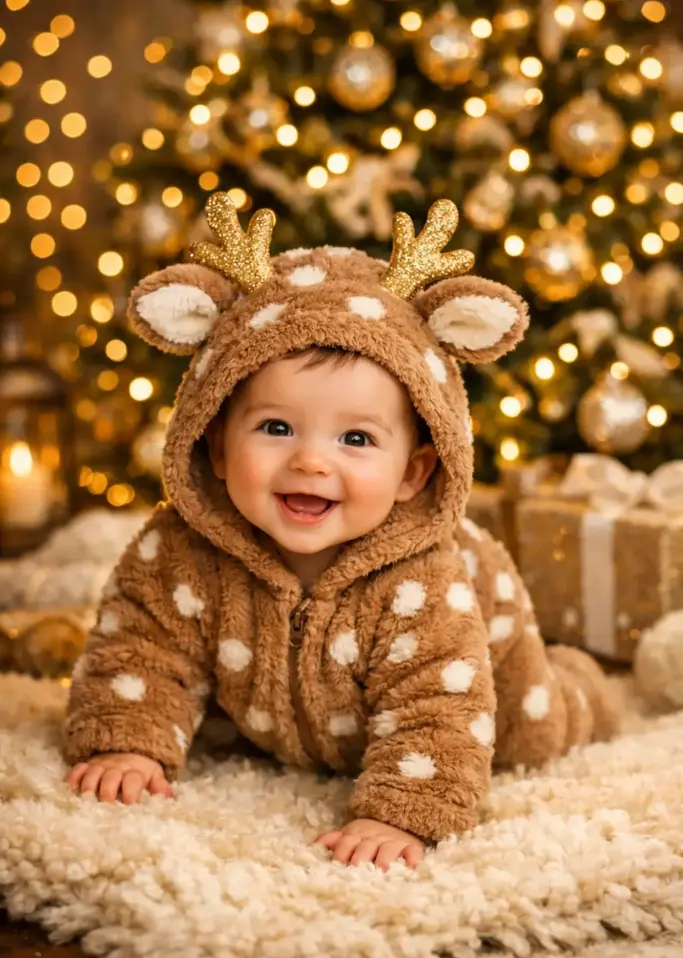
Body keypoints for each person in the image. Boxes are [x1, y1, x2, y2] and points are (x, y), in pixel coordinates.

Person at [64, 195, 621, 871]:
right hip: (284, 712)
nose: (311, 460)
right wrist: (127, 740)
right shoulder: (180, 551)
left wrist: (401, 815)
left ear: (414, 472)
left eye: (356, 438)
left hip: (490, 677)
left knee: (540, 730)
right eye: (275, 428)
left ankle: (584, 682)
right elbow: (141, 647)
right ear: (212, 443)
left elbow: (437, 711)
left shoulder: (425, 579)